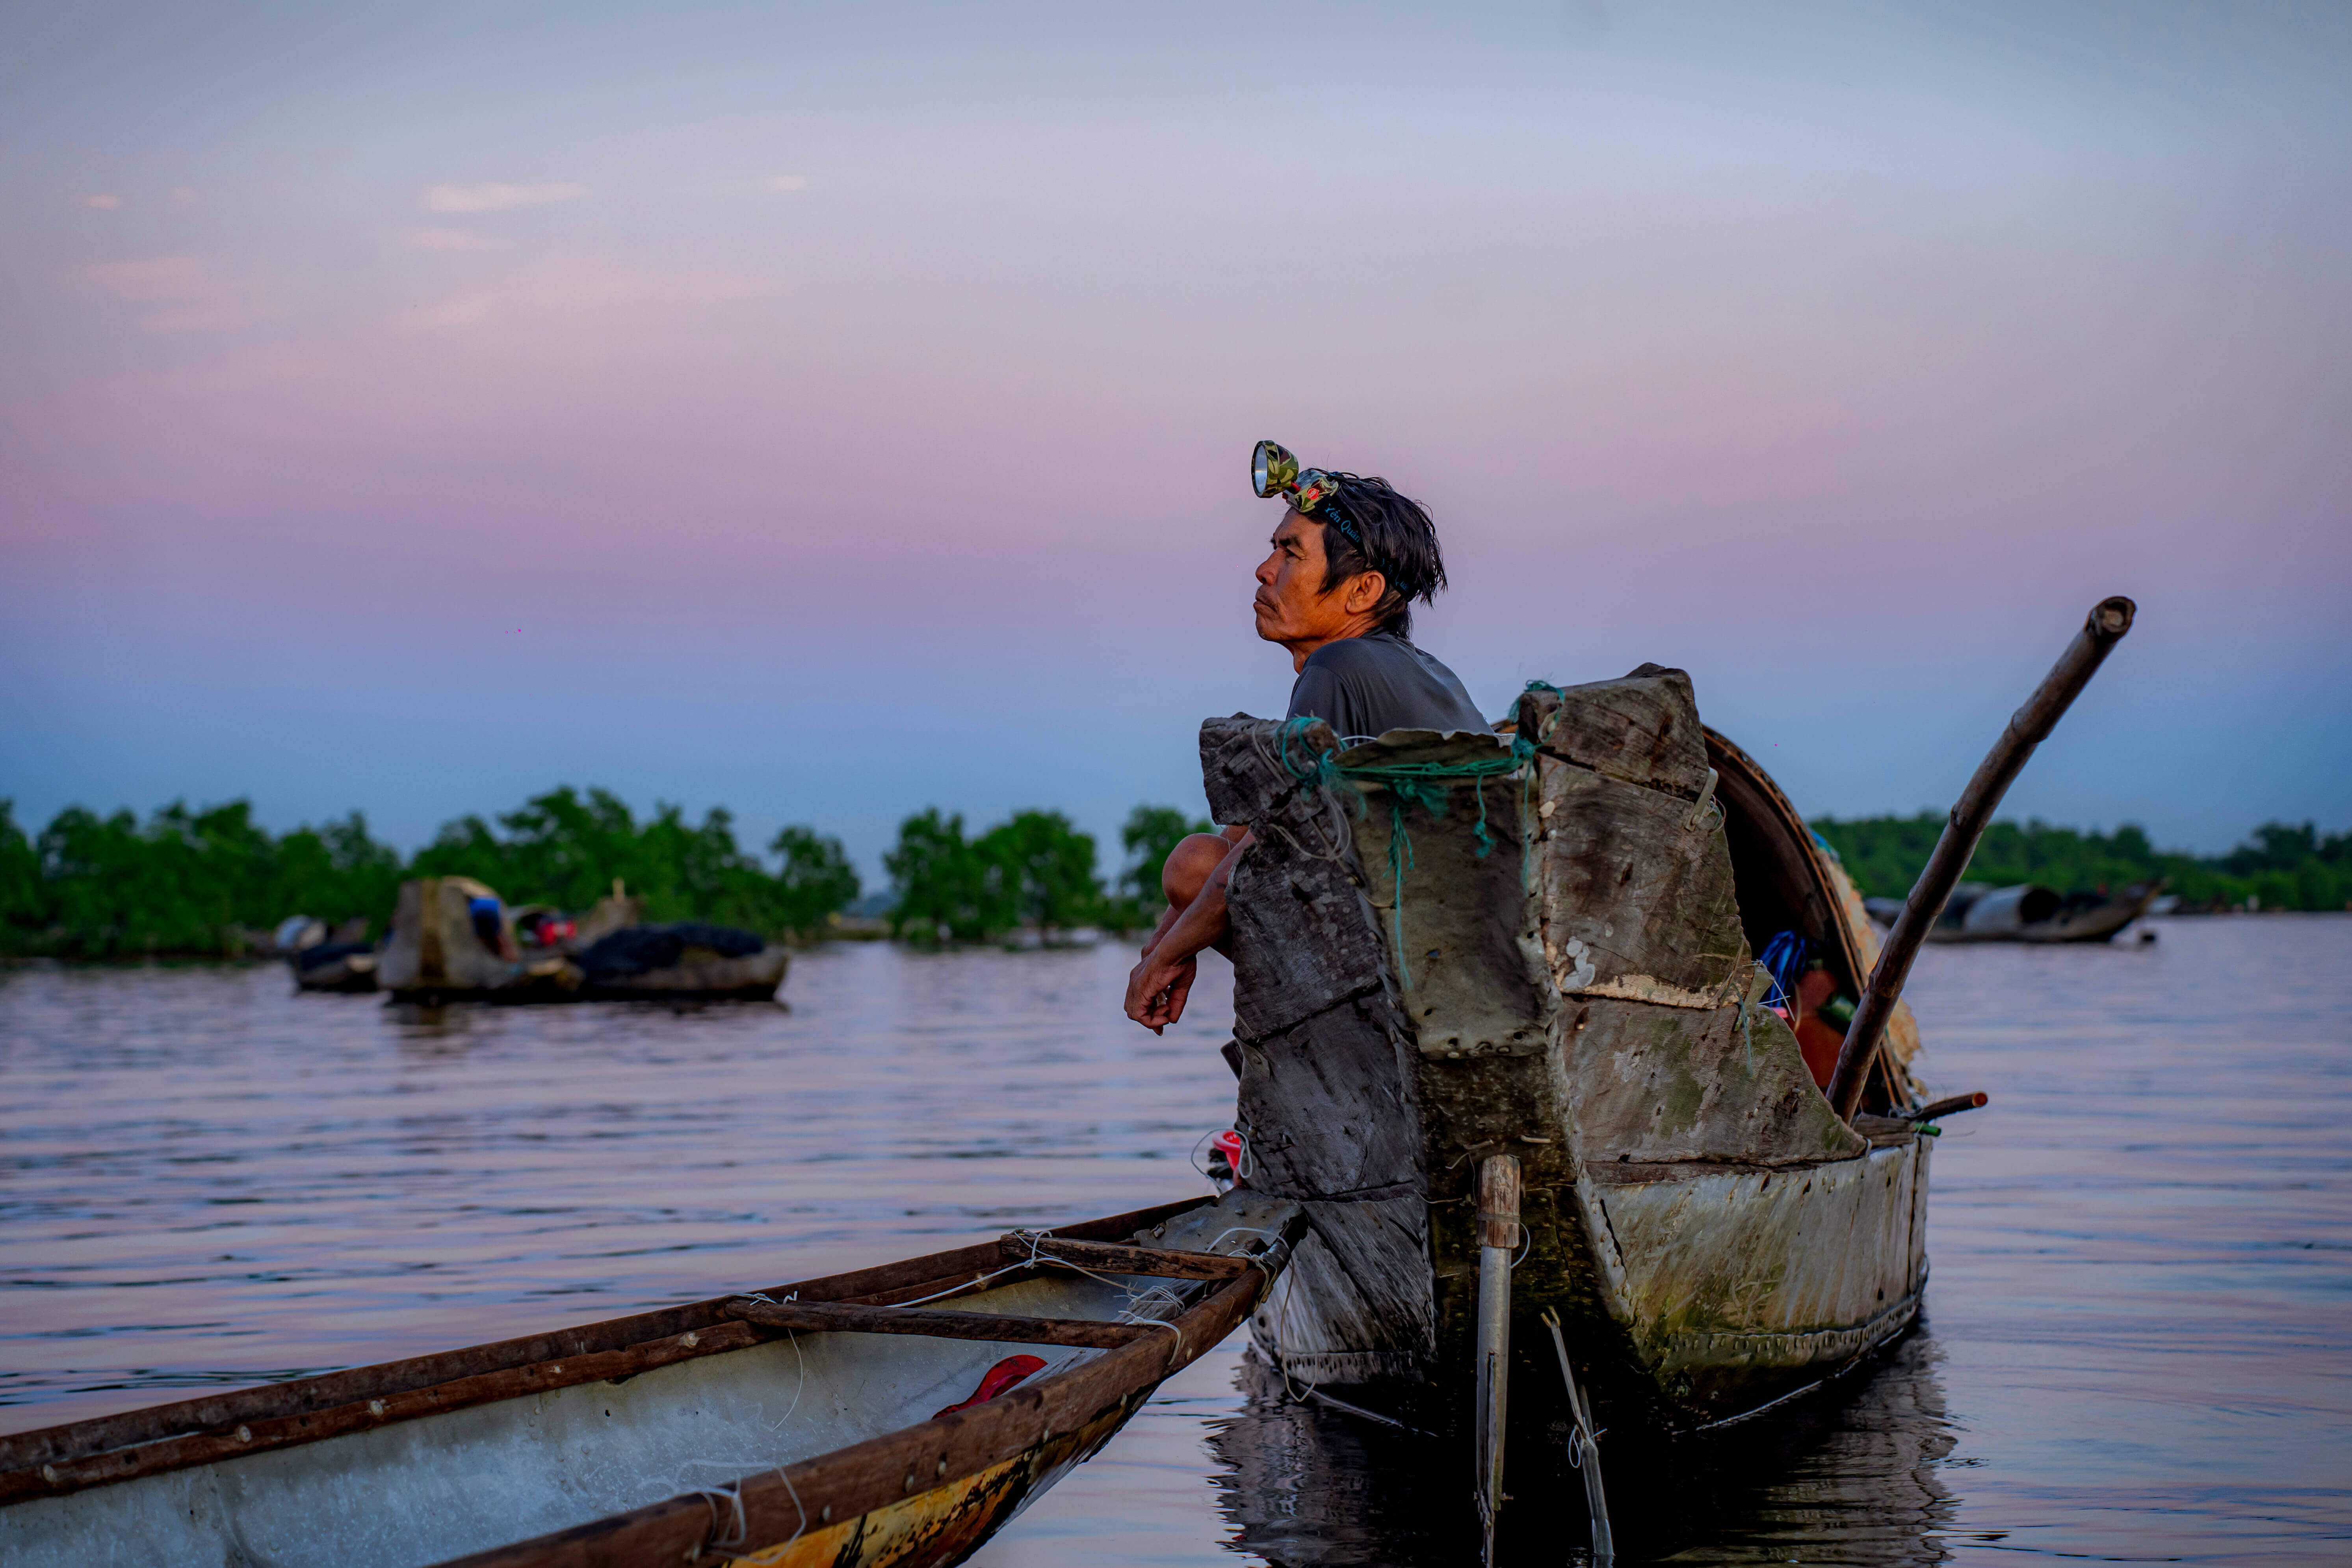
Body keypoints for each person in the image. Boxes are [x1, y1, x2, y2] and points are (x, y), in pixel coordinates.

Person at [1124, 440, 1487, 1032]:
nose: (1265, 570)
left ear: (1362, 591)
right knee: (1204, 868)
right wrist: (1165, 943)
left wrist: (1166, 957)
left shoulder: (1339, 666)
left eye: (1290, 554)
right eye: (1272, 550)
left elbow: (1246, 853)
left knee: (1192, 865)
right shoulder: (1404, 666)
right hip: (1450, 935)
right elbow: (1252, 827)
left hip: (1427, 957)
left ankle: (1349, 1031)